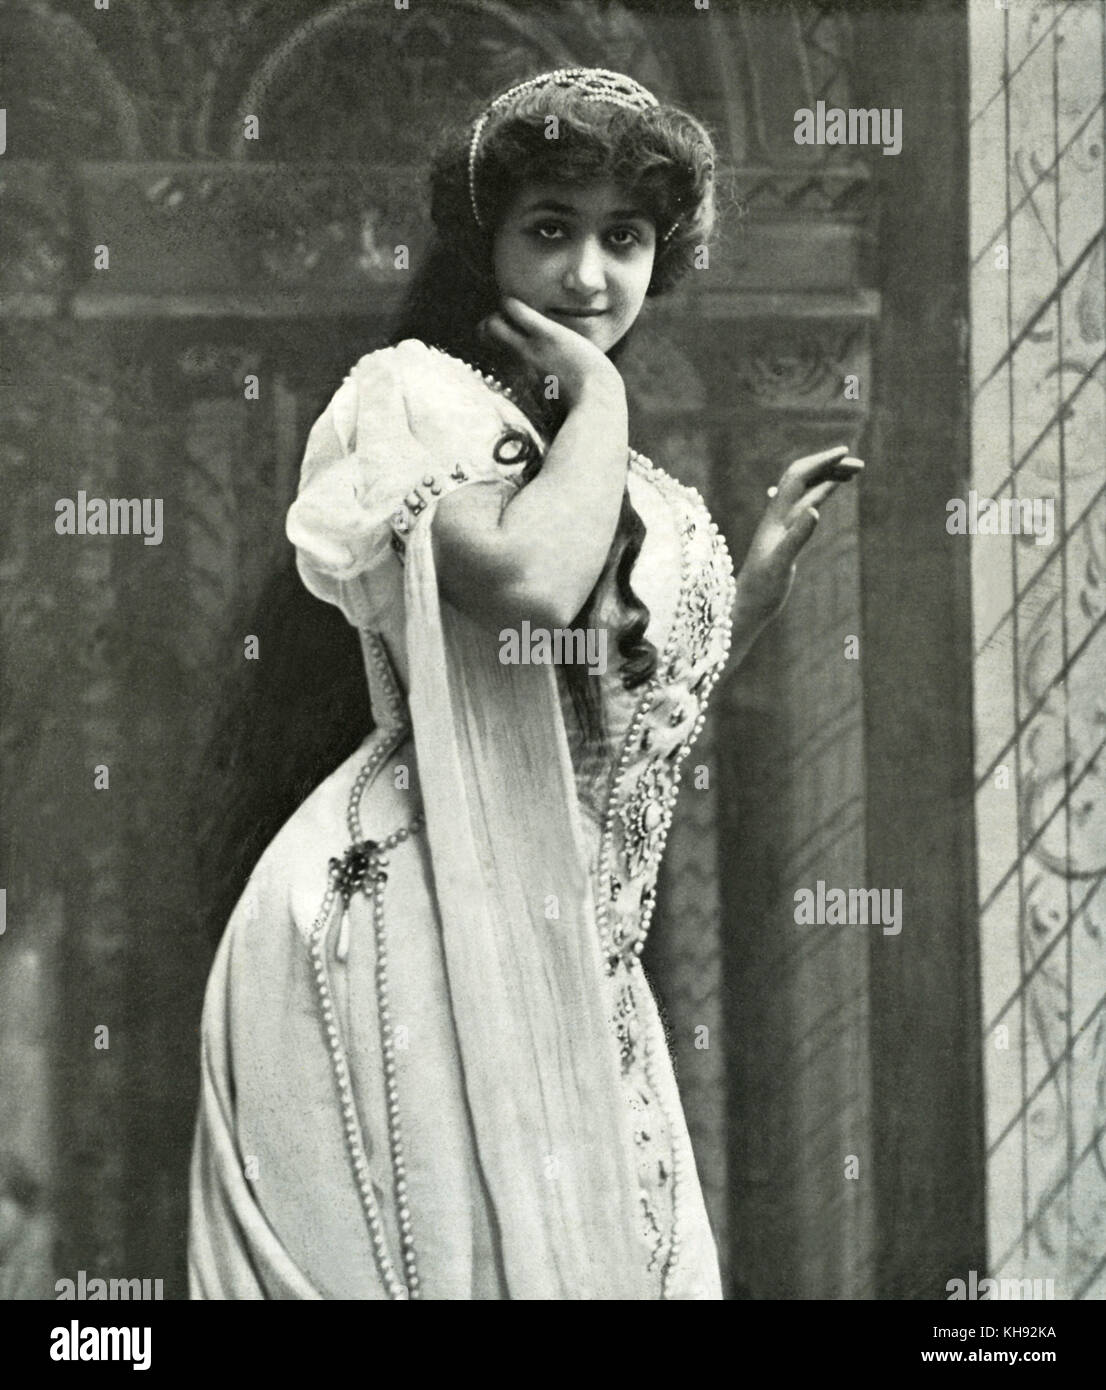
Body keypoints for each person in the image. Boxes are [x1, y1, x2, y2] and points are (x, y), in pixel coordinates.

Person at [188, 67, 863, 1301]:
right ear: (484, 240)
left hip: (556, 928)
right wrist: (602, 392)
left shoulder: (576, 451)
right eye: (550, 229)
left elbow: (607, 701)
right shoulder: (410, 397)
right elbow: (536, 587)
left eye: (626, 238)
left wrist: (742, 586)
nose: (591, 277)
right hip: (406, 911)